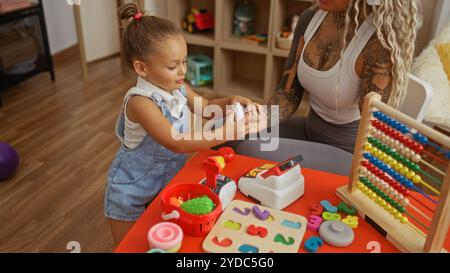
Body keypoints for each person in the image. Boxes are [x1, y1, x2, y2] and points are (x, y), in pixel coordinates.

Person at [105, 3, 263, 246]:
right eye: (172, 66)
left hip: (166, 185)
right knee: (129, 247)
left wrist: (230, 102)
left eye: (184, 62)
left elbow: (205, 106)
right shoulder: (140, 102)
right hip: (132, 193)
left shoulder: (177, 87)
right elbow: (175, 143)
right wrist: (224, 133)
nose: (182, 71)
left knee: (162, 243)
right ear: (141, 68)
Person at [265, 0, 420, 153]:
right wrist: (258, 120)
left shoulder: (377, 45)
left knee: (253, 149)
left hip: (347, 150)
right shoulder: (309, 18)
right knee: (243, 136)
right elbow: (287, 94)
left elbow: (373, 128)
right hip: (308, 130)